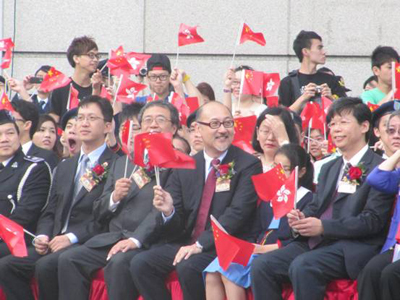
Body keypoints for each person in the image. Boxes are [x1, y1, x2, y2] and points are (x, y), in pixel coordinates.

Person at [250, 97, 394, 300]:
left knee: (304, 266)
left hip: (350, 246)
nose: (335, 129)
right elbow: (316, 206)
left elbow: (372, 221)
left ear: (364, 126)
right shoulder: (329, 167)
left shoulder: (379, 169)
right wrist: (299, 219)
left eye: (343, 122)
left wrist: (324, 228)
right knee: (261, 265)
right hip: (316, 241)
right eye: (332, 124)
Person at [128, 101, 262, 300]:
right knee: (141, 263)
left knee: (188, 265)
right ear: (198, 129)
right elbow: (179, 221)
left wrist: (200, 244)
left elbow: (237, 214)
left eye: (228, 123)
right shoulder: (186, 165)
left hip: (226, 245)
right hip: (188, 242)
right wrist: (169, 211)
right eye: (215, 124)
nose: (223, 130)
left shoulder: (248, 164)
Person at [57, 101, 179, 300]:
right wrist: (114, 197)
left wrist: (134, 239)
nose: (153, 125)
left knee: (119, 262)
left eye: (160, 120)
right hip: (112, 237)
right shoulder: (124, 162)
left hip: (149, 241)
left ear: (173, 128)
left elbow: (162, 209)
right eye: (147, 120)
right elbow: (99, 210)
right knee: (69, 258)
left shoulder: (179, 162)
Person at [0, 96, 118, 300]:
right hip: (53, 241)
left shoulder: (116, 164)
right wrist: (43, 235)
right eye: (80, 118)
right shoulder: (65, 166)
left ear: (107, 126)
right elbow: (50, 210)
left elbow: (105, 217)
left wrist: (71, 237)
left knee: (48, 265)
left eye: (91, 118)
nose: (84, 123)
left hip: (86, 241)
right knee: (8, 266)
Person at [204, 144, 314, 300]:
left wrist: (259, 249)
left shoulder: (306, 199)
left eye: (286, 169)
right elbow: (256, 229)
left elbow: (297, 241)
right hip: (256, 248)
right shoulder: (269, 195)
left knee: (229, 272)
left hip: (276, 251)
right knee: (212, 273)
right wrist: (244, 246)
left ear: (301, 172)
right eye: (276, 167)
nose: (280, 173)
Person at [357, 111, 400, 300]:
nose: (397, 135)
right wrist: (398, 153)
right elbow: (376, 179)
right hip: (396, 245)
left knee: (390, 274)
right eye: (391, 131)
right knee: (370, 271)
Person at [0, 109, 52, 256]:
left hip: (18, 240)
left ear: (19, 136)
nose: (4, 139)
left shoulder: (34, 168)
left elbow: (24, 216)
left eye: (10, 133)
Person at [278, 30, 346, 113]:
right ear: (305, 51)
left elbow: (346, 111)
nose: (324, 52)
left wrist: (330, 98)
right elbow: (283, 116)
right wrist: (304, 97)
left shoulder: (331, 80)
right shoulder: (288, 82)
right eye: (319, 48)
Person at [49, 36, 100, 123]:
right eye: (91, 55)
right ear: (76, 58)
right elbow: (54, 120)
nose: (95, 60)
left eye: (97, 56)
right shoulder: (61, 87)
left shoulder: (99, 86)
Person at [135, 54, 202, 104]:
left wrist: (185, 78)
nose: (158, 81)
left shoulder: (178, 99)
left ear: (169, 77)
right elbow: (124, 105)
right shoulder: (140, 103)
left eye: (163, 76)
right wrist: (137, 83)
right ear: (147, 78)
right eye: (153, 77)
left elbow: (199, 105)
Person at [11, 100, 59, 170]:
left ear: (27, 125)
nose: (7, 124)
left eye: (12, 119)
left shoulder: (46, 157)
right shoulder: (5, 153)